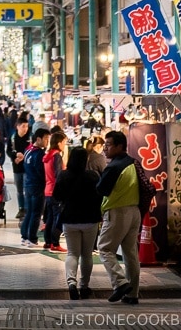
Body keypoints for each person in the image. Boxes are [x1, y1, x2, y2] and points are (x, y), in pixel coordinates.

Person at [96, 130, 141, 305]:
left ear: (119, 146)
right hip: (134, 212)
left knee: (105, 248)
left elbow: (101, 189)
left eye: (108, 145)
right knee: (130, 254)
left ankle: (120, 282)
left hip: (117, 212)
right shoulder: (132, 162)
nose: (105, 149)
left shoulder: (114, 167)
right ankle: (132, 294)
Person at [53, 146, 102, 299]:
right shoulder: (93, 176)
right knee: (87, 255)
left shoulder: (63, 175)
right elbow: (100, 196)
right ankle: (84, 286)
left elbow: (56, 196)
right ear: (85, 160)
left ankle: (71, 283)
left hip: (70, 219)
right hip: (90, 219)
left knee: (72, 253)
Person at [20, 126, 50, 247]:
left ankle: (24, 236)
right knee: (36, 213)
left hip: (28, 185)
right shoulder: (39, 153)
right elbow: (41, 172)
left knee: (30, 212)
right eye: (46, 139)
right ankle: (32, 238)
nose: (47, 142)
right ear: (38, 139)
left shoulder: (28, 150)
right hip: (37, 186)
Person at [43, 129, 67, 251]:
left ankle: (48, 242)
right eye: (64, 143)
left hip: (47, 190)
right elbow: (58, 175)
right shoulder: (56, 156)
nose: (64, 145)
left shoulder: (47, 156)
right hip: (55, 191)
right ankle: (55, 243)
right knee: (58, 218)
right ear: (58, 143)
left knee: (50, 218)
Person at [7, 112, 31, 219]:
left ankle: (27, 209)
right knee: (19, 190)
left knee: (27, 188)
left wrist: (24, 156)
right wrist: (15, 155)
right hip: (17, 168)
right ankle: (21, 208)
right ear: (17, 127)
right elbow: (8, 150)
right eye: (23, 126)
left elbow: (33, 150)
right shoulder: (12, 138)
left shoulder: (30, 137)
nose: (25, 128)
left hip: (28, 168)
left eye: (26, 126)